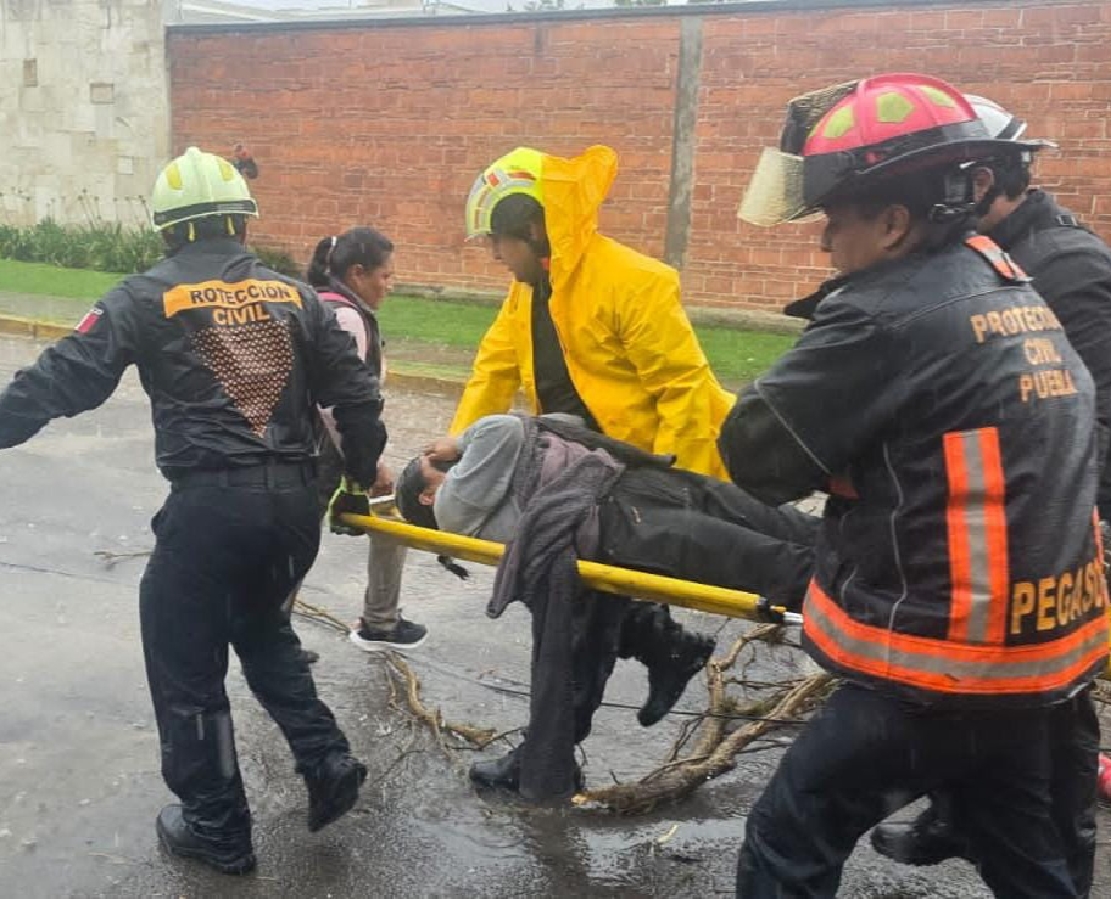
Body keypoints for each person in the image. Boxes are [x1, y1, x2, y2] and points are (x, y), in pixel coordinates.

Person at [723, 74, 1108, 898]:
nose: (825, 239)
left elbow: (756, 456)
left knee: (789, 834)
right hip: (1030, 656)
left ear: (894, 222)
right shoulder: (999, 275)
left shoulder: (885, 312)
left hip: (944, 664)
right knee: (1022, 850)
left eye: (836, 216)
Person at [0, 147, 386, 875]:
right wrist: (360, 477)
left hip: (211, 508)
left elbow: (63, 380)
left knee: (185, 662)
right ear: (242, 223)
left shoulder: (142, 296)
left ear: (167, 232)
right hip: (295, 507)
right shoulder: (296, 298)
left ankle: (217, 826)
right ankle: (327, 758)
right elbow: (358, 397)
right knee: (261, 624)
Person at [870, 94, 1111, 898]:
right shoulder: (993, 255)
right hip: (1020, 509)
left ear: (986, 179)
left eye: (946, 181)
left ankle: (1067, 867)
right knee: (980, 682)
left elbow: (1077, 421)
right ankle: (961, 815)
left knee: (1054, 703)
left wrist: (1084, 536)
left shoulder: (1069, 267)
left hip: (1083, 516)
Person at [397, 413, 818, 793]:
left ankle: (669, 650)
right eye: (432, 463)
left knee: (780, 526)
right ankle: (867, 593)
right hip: (618, 516)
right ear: (426, 498)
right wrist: (457, 441)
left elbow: (561, 420)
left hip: (629, 492)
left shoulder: (497, 481)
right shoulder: (453, 505)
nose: (443, 459)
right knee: (770, 563)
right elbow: (504, 429)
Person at [454, 145, 734, 478]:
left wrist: (673, 489)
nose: (494, 254)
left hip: (651, 471)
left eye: (496, 240)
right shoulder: (527, 291)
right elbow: (492, 374)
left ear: (533, 229)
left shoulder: (635, 281)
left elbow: (684, 392)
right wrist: (456, 453)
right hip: (585, 470)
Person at [287, 227, 427, 653]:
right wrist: (368, 464)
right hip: (322, 455)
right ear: (358, 272)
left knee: (296, 545)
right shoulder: (346, 317)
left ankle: (376, 619)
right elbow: (337, 404)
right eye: (385, 276)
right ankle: (377, 622)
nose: (390, 285)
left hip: (308, 451)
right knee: (297, 546)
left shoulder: (322, 303)